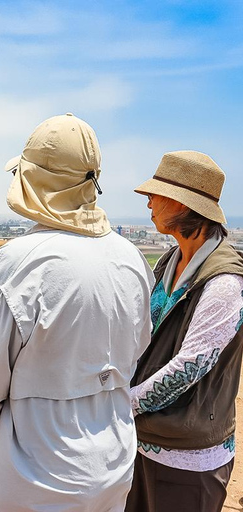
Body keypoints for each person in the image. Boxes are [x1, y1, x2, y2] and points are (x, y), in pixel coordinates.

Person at [0, 113, 154, 511]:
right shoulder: (131, 259)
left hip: (34, 472)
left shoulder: (18, 264)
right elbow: (137, 350)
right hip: (113, 461)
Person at [126, 151, 243, 512]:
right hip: (143, 442)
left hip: (188, 459)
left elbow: (189, 367)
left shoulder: (224, 281)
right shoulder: (170, 261)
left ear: (180, 203)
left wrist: (117, 404)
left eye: (155, 194)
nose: (147, 202)